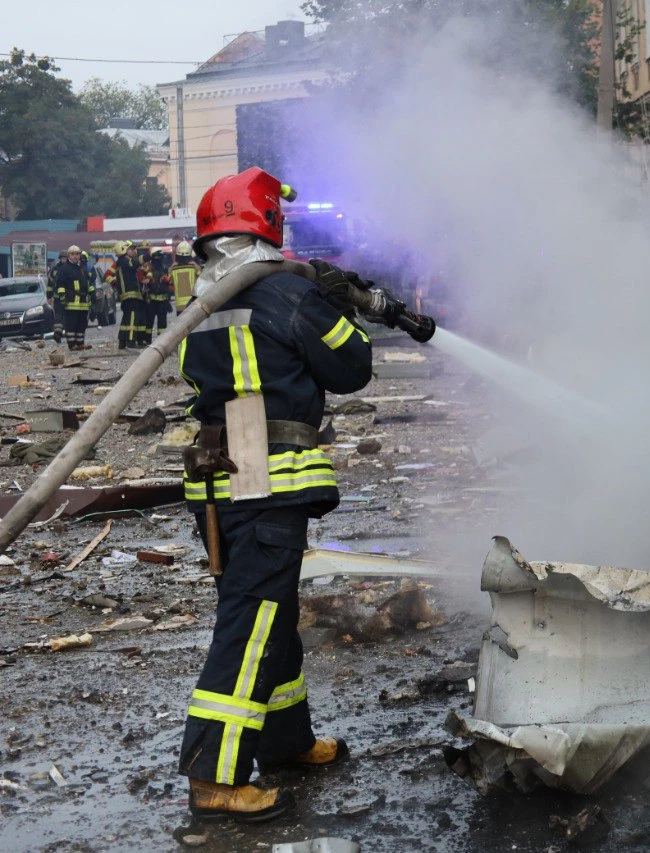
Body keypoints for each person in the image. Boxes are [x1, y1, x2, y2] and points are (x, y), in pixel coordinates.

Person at [178, 167, 371, 822]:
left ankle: (285, 742)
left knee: (271, 614)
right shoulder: (286, 295)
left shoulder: (202, 306)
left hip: (218, 483)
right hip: (267, 478)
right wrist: (337, 305)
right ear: (268, 225)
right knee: (252, 620)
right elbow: (352, 366)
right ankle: (215, 775)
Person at [54, 245, 94, 350]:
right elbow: (60, 285)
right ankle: (72, 344)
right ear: (68, 256)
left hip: (83, 303)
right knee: (72, 324)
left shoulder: (82, 268)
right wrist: (62, 298)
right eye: (73, 254)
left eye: (77, 254)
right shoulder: (65, 269)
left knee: (82, 324)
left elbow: (88, 283)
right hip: (71, 302)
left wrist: (92, 293)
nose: (75, 256)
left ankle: (81, 343)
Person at [106, 241, 145, 349]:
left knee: (126, 319)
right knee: (133, 317)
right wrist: (145, 257)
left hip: (127, 296)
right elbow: (134, 264)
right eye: (130, 249)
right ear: (123, 250)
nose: (133, 251)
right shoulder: (125, 261)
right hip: (130, 295)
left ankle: (122, 341)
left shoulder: (121, 262)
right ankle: (131, 341)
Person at [143, 249, 173, 339]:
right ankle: (147, 339)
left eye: (159, 256)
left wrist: (167, 279)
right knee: (149, 322)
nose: (157, 258)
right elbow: (143, 282)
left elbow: (172, 283)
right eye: (155, 256)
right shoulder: (148, 268)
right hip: (151, 300)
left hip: (163, 300)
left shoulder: (166, 269)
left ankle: (162, 340)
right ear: (152, 257)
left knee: (162, 323)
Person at [167, 241, 200, 313]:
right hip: (193, 305)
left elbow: (168, 280)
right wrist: (195, 264)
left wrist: (172, 266)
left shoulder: (173, 269)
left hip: (180, 307)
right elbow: (203, 278)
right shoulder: (194, 268)